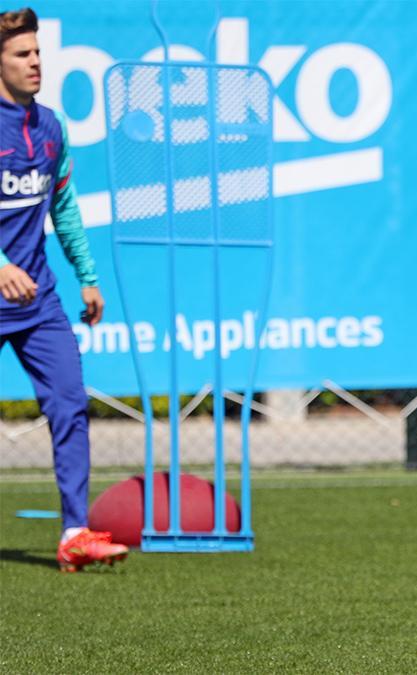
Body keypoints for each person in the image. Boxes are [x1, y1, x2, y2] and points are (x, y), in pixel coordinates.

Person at [0, 7, 128, 572]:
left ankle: (74, 532)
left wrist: (89, 275)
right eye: (22, 54)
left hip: (38, 303)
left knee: (71, 406)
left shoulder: (50, 124)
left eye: (38, 53)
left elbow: (64, 207)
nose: (35, 63)